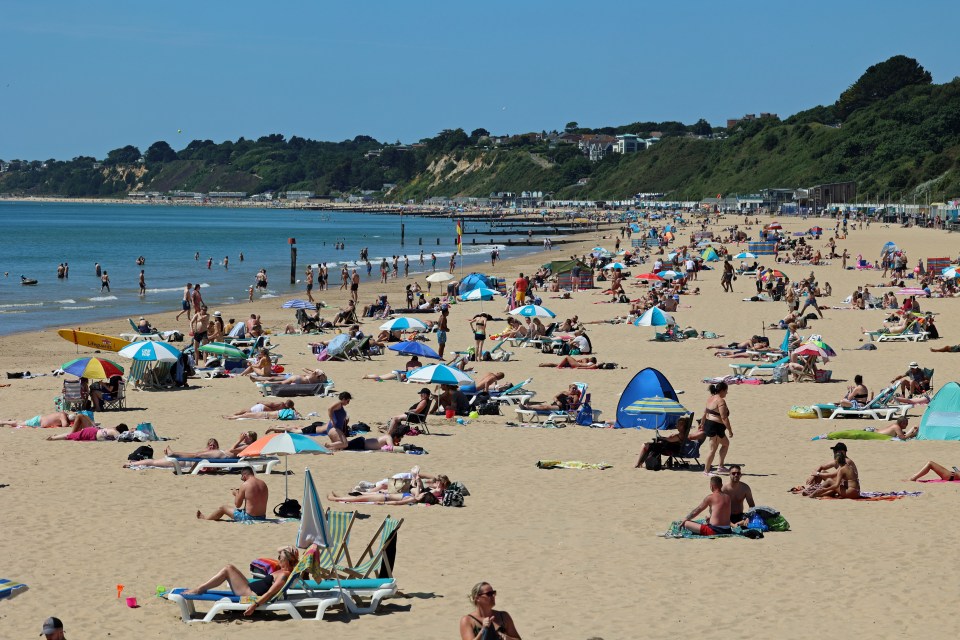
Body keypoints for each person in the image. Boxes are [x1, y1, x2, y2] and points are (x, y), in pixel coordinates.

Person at [183, 545, 300, 616]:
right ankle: (201, 588)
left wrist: (254, 605)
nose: (278, 558)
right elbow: (278, 549)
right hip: (249, 587)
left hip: (249, 593)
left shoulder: (284, 575)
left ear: (287, 561)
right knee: (230, 567)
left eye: (281, 557)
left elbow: (270, 594)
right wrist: (287, 547)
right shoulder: (283, 569)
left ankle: (200, 589)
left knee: (227, 569)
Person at [124, 433, 257, 468]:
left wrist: (239, 440)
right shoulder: (245, 447)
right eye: (209, 445)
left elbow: (232, 450)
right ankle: (133, 463)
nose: (245, 438)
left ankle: (133, 464)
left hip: (221, 455)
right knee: (196, 454)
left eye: (247, 438)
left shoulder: (245, 447)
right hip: (221, 455)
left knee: (196, 454)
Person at [325, 392, 395, 451]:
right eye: (347, 401)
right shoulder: (339, 404)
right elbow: (329, 409)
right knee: (345, 444)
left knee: (341, 446)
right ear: (343, 399)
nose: (348, 403)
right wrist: (332, 420)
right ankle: (328, 445)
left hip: (336, 429)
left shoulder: (340, 406)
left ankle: (329, 446)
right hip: (334, 428)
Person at [328, 472, 449, 505]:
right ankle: (341, 497)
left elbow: (399, 503)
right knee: (365, 495)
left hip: (396, 492)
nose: (436, 482)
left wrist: (417, 481)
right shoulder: (419, 495)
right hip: (400, 491)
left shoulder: (417, 497)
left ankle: (337, 498)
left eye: (439, 482)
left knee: (363, 497)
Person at [197, 466, 268, 521]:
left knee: (223, 508)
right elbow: (254, 498)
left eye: (242, 477)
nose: (242, 479)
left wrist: (236, 493)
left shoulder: (245, 484)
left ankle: (206, 518)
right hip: (262, 516)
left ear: (244, 475)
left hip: (248, 517)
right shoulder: (263, 483)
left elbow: (238, 505)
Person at [701, 381, 732, 476]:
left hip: (712, 425)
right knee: (712, 449)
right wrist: (730, 430)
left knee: (726, 444)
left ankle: (721, 466)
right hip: (715, 427)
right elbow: (724, 417)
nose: (727, 393)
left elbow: (705, 412)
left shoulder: (710, 398)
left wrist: (702, 423)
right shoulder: (720, 401)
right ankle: (706, 471)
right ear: (722, 390)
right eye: (726, 391)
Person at [1, 411, 95, 429]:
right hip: (37, 421)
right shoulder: (63, 416)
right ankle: (3, 422)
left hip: (38, 419)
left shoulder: (62, 413)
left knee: (21, 422)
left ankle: (8, 421)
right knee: (16, 423)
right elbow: (64, 425)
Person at [46, 423, 128, 441]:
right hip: (92, 434)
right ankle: (53, 438)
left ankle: (56, 436)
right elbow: (120, 438)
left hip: (93, 430)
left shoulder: (112, 428)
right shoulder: (115, 432)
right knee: (70, 436)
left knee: (72, 435)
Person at [225, 402, 299, 421]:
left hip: (264, 412)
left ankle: (232, 416)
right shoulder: (285, 412)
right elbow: (298, 414)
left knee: (246, 413)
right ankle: (232, 416)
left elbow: (271, 404)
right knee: (246, 413)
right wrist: (294, 409)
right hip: (264, 412)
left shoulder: (282, 408)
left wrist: (261, 401)